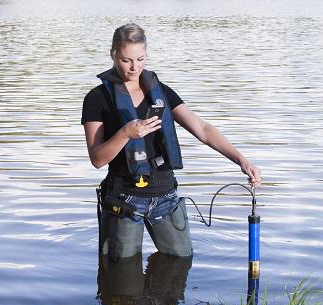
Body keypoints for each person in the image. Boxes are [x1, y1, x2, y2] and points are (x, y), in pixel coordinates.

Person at [81, 23, 261, 260]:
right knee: (122, 278)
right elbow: (97, 159)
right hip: (123, 200)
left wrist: (241, 160)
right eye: (127, 60)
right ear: (113, 54)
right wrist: (125, 134)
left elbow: (203, 129)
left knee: (180, 265)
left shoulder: (161, 92)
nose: (134, 67)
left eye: (141, 58)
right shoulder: (97, 99)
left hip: (166, 196)